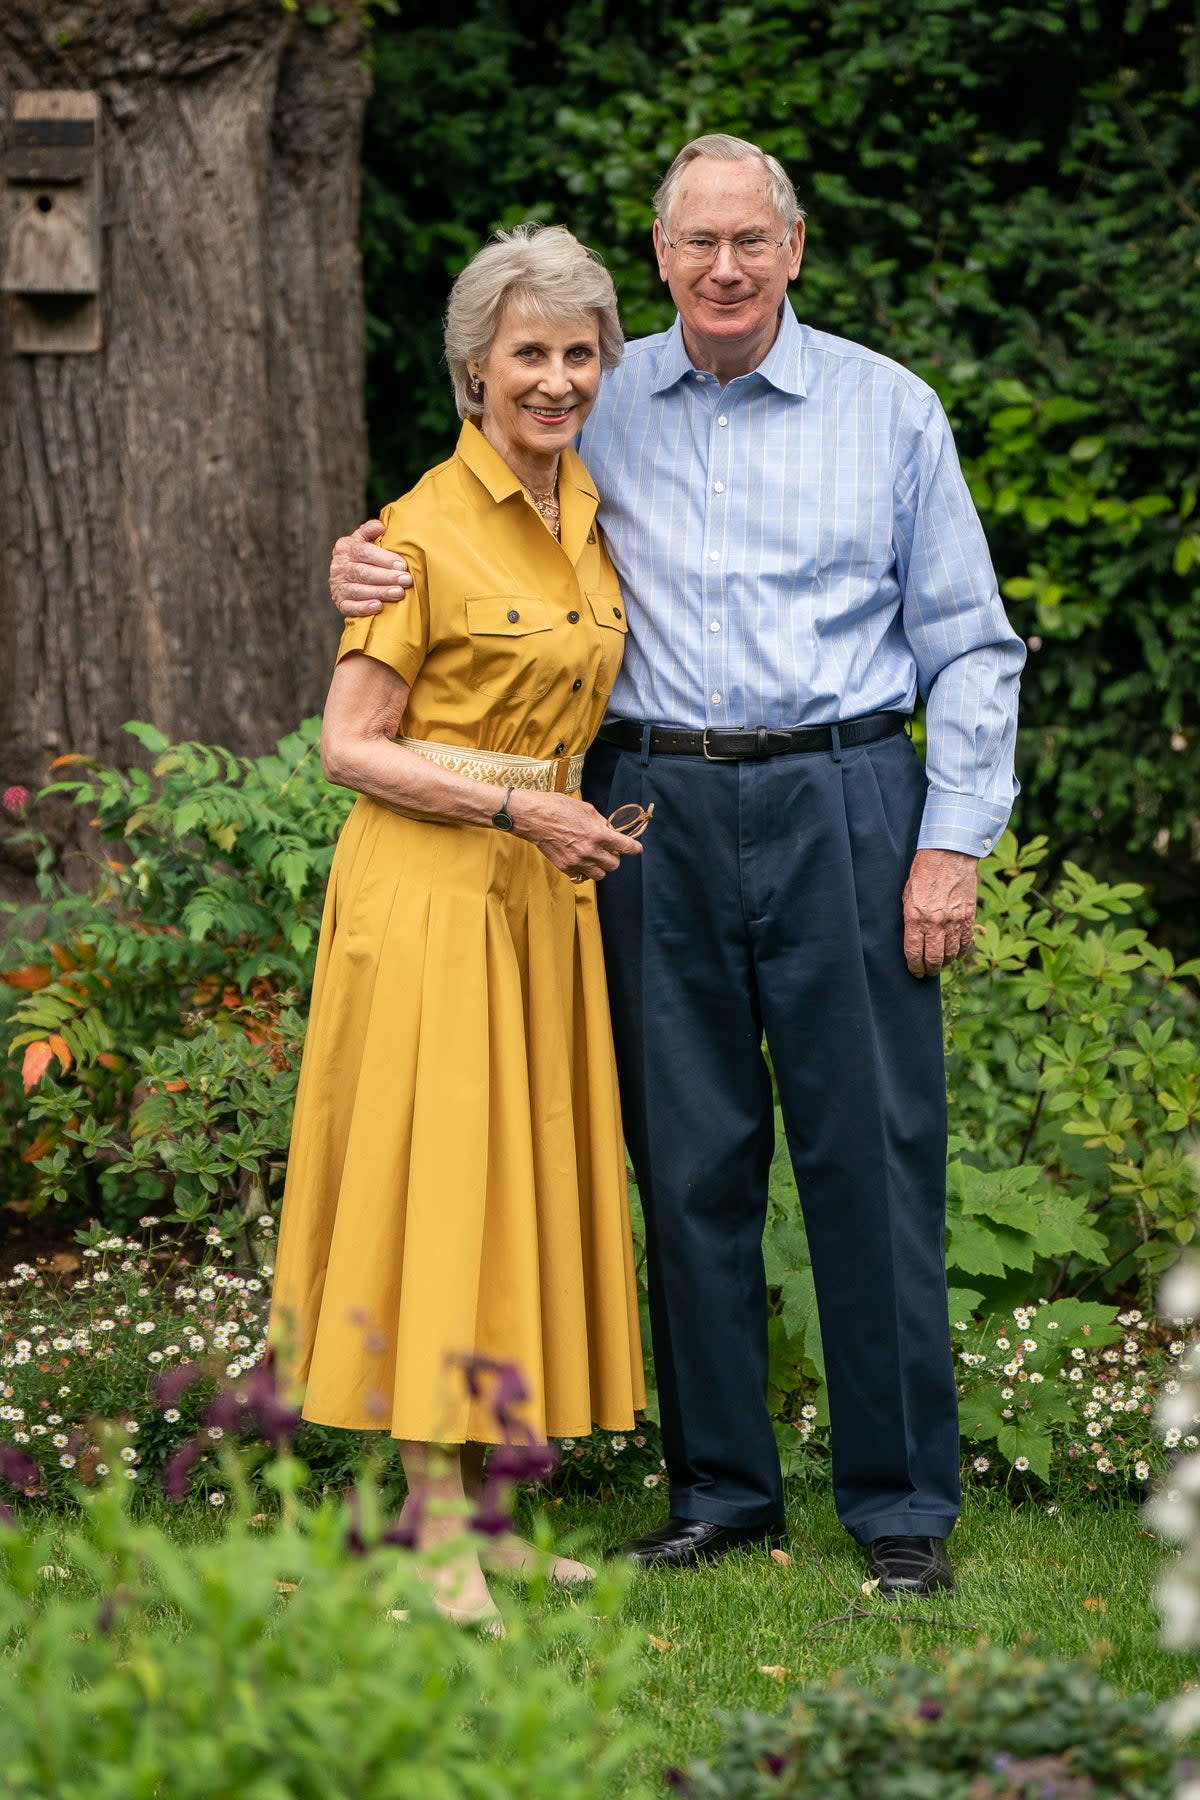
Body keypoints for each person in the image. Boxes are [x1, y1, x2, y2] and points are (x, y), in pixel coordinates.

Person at [329, 135, 1026, 1598]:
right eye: (697, 242)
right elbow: (467, 533)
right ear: (660, 256)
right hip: (644, 808)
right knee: (689, 1160)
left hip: (847, 796)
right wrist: (364, 561)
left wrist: (949, 842)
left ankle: (900, 1508)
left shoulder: (890, 411)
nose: (723, 268)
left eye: (749, 242)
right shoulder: (595, 392)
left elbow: (970, 645)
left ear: (794, 249)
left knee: (872, 1159)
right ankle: (720, 1492)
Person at [269, 224, 647, 1630]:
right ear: (473, 370)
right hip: (433, 886)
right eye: (528, 356)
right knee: (439, 1185)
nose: (556, 380)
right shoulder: (418, 530)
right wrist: (520, 817)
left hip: (535, 895)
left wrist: (544, 822)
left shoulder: (586, 504)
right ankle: (427, 1532)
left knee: (508, 1186)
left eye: (576, 353)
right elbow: (348, 746)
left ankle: (482, 1510)